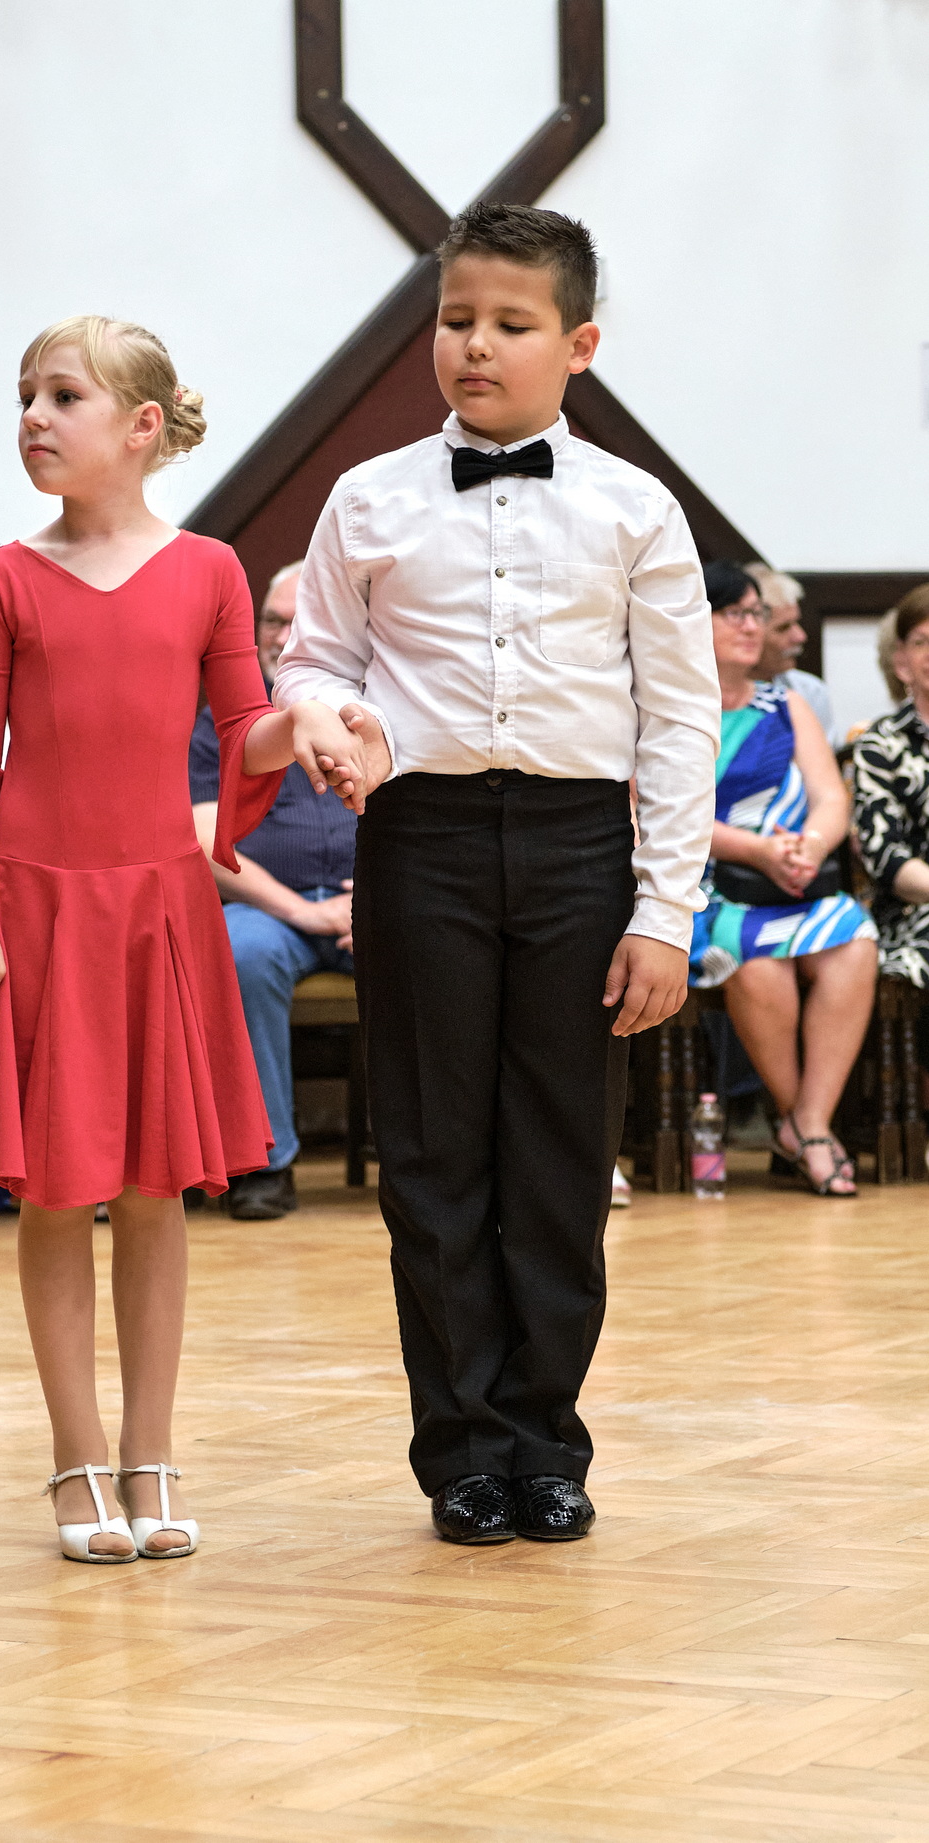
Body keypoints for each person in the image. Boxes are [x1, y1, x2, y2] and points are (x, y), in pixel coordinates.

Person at [274, 202, 720, 1546]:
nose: (474, 344)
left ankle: (545, 1442)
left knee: (559, 1158)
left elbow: (678, 719)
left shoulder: (637, 508)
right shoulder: (368, 498)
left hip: (582, 845)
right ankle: (461, 1448)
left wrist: (664, 910)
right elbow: (314, 659)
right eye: (455, 318)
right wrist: (326, 717)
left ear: (577, 344)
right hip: (421, 842)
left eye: (510, 324)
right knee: (429, 1153)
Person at [0, 315, 368, 1564]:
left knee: (151, 1191)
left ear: (138, 426)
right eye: (24, 395)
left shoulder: (209, 571)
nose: (32, 416)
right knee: (55, 1190)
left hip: (159, 911)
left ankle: (151, 1450)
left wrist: (312, 722)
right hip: (38, 908)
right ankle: (75, 1456)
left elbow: (244, 731)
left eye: (60, 395)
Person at [691, 561, 877, 1195]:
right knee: (757, 963)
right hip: (713, 885)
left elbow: (831, 797)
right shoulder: (670, 707)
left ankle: (807, 1124)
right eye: (734, 613)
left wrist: (809, 847)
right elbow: (661, 811)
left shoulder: (786, 704)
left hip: (794, 877)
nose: (752, 626)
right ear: (693, 619)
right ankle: (804, 1127)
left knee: (855, 941)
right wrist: (758, 851)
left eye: (757, 614)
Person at [189, 559, 357, 1220]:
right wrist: (302, 913)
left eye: (299, 622)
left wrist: (377, 900)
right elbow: (206, 841)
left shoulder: (374, 707)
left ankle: (434, 1162)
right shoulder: (220, 724)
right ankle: (264, 1162)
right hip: (267, 910)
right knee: (240, 954)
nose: (282, 636)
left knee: (439, 946)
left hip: (373, 905)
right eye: (272, 621)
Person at [853, 583, 929, 992]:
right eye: (921, 641)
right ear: (901, 662)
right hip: (914, 912)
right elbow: (885, 856)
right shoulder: (880, 744)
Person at [745, 563, 839, 747]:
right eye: (783, 628)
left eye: (797, 623)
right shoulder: (715, 695)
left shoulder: (810, 692)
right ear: (748, 632)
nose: (800, 636)